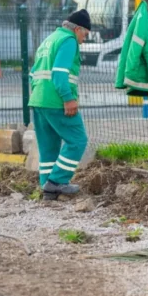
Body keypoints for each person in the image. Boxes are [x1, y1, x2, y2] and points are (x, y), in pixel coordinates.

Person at [29, 10, 91, 200]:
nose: (84, 40)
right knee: (77, 140)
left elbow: (33, 73)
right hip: (57, 101)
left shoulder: (50, 39)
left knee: (49, 146)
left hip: (39, 100)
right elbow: (59, 73)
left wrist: (39, 96)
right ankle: (57, 181)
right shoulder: (68, 40)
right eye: (85, 34)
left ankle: (47, 188)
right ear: (77, 29)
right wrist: (68, 98)